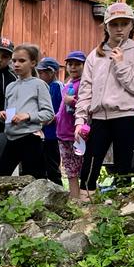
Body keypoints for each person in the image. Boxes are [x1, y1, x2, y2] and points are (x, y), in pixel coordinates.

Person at [75, 2, 134, 197]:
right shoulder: (95, 55)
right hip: (99, 116)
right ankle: (85, 202)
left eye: (124, 24)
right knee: (91, 161)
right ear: (106, 26)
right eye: (114, 24)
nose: (119, 29)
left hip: (127, 115)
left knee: (123, 164)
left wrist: (121, 65)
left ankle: (122, 204)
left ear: (132, 26)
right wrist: (80, 120)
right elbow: (85, 90)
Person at [0, 44, 54, 178]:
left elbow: (49, 113)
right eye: (14, 60)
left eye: (22, 61)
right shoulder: (10, 86)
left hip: (30, 139)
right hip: (11, 138)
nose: (16, 64)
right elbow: (9, 112)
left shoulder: (39, 85)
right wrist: (3, 116)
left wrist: (27, 116)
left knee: (34, 179)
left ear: (33, 63)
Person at [56, 51, 86, 201]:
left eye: (77, 64)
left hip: (77, 134)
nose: (73, 67)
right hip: (62, 133)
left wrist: (72, 102)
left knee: (82, 167)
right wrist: (54, 118)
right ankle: (75, 200)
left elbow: (87, 106)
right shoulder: (67, 84)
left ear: (84, 66)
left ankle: (86, 198)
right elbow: (62, 109)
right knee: (70, 170)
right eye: (70, 64)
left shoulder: (85, 84)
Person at [38, 56, 64, 185]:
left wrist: (48, 118)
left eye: (42, 72)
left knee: (52, 166)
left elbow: (58, 110)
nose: (40, 75)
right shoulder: (44, 86)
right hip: (42, 132)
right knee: (41, 166)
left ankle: (58, 190)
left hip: (52, 133)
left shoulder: (56, 87)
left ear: (51, 72)